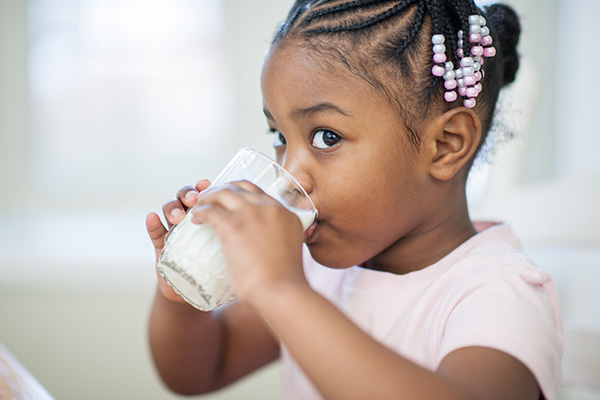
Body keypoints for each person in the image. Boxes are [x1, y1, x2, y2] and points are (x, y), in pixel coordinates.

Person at [145, 1, 563, 399]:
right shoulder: (312, 270)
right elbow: (201, 370)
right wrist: (181, 296)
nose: (290, 176)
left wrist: (283, 289)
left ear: (445, 145)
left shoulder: (498, 293)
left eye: (326, 137)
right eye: (279, 138)